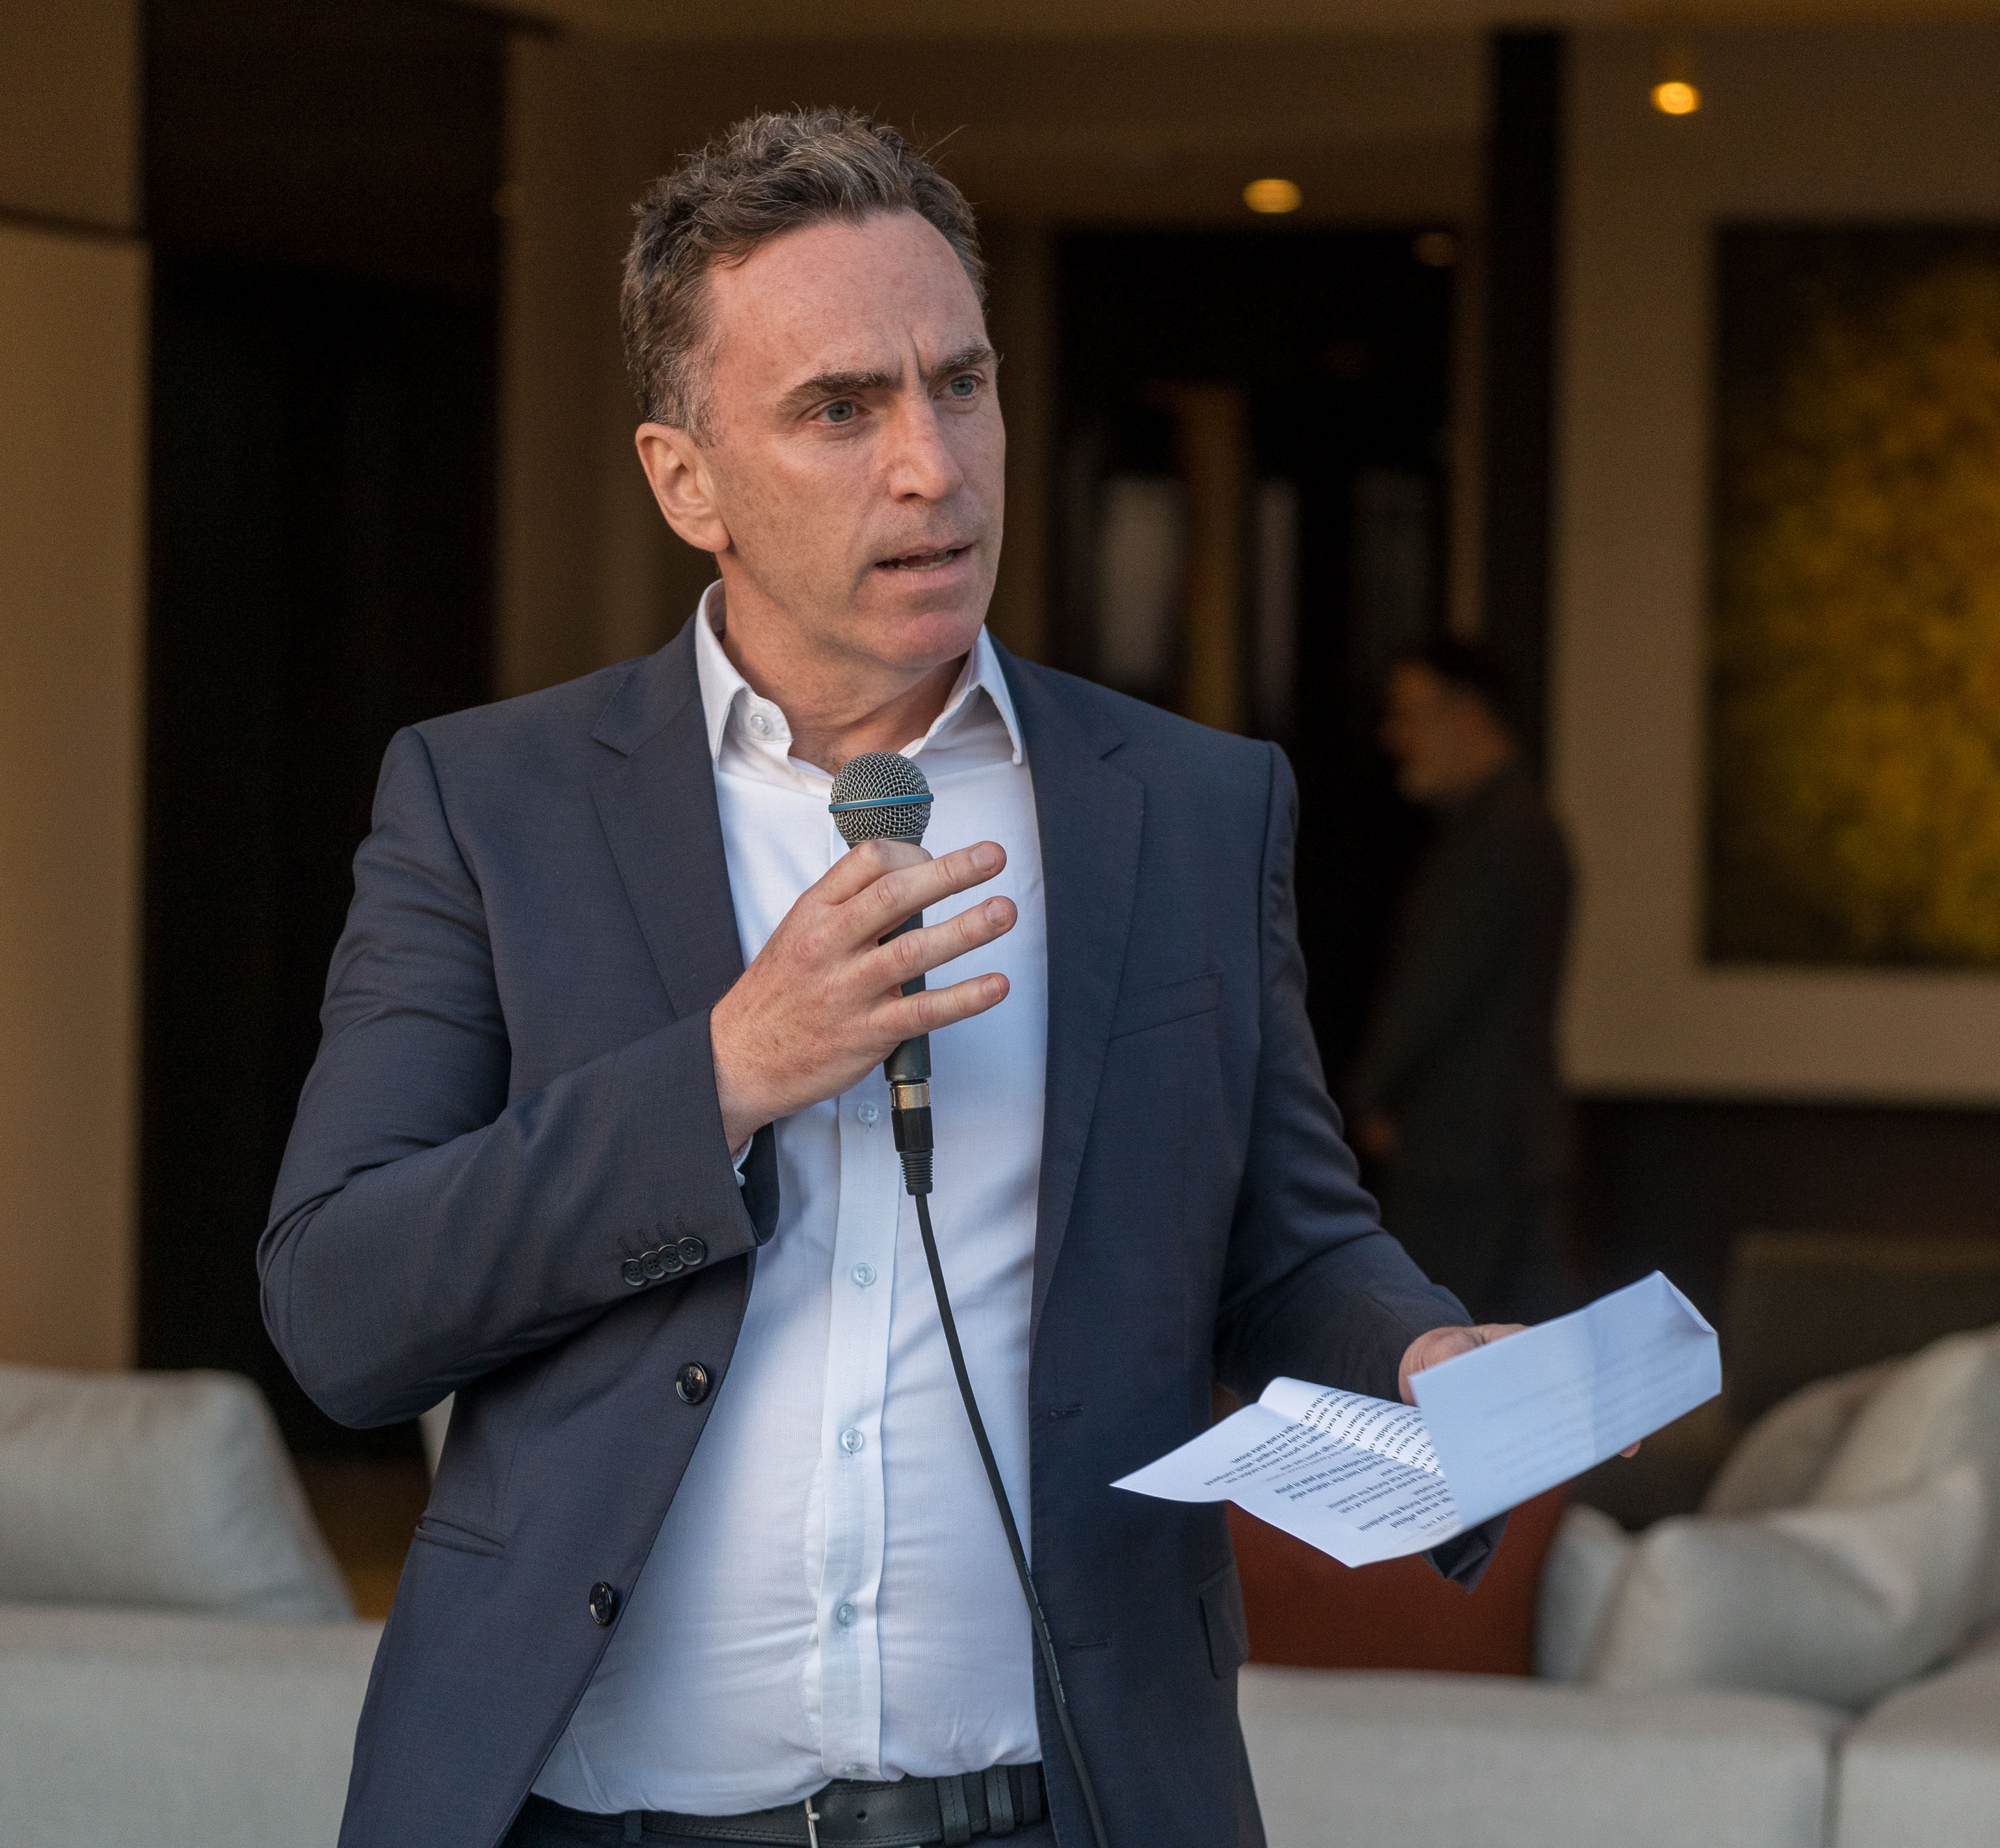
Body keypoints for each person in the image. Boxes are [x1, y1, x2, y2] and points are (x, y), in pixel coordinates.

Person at [260, 110, 1517, 1848]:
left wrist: (1421, 1351)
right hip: (595, 1818)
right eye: (840, 409)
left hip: (1055, 1811)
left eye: (960, 384)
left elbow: (1285, 1244)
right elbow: (343, 1307)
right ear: (684, 480)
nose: (931, 464)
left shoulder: (1191, 806)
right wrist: (720, 1074)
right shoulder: (489, 807)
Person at [1348, 636, 1577, 1325]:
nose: (1394, 737)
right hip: (1493, 1141)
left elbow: (1435, 987)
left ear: (1470, 714)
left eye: (1409, 714)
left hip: (1468, 1147)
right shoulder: (1509, 825)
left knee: (1437, 1346)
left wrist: (1368, 1093)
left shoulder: (1502, 835)